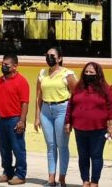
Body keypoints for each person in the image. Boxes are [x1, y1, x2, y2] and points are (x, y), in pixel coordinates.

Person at [65, 62, 112, 187]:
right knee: (83, 156)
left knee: (96, 155)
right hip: (79, 128)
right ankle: (85, 181)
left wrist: (111, 126)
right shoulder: (78, 87)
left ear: (97, 74)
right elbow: (71, 105)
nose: (88, 74)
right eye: (86, 72)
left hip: (99, 129)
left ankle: (94, 182)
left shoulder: (105, 88)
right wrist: (68, 122)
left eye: (91, 72)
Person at [34, 47, 77, 187]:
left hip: (62, 109)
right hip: (46, 109)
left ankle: (62, 178)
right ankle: (51, 178)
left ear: (59, 58)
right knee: (50, 145)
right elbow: (38, 97)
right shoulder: (42, 73)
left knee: (62, 145)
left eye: (52, 55)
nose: (49, 58)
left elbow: (76, 96)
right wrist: (37, 116)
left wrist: (71, 119)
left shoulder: (68, 74)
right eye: (47, 55)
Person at [0, 54, 29, 185]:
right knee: (4, 148)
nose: (4, 66)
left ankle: (20, 174)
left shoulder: (22, 81)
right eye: (2, 64)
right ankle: (7, 172)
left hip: (14, 120)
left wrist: (21, 121)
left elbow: (25, 103)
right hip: (1, 120)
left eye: (7, 65)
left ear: (15, 66)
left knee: (18, 148)